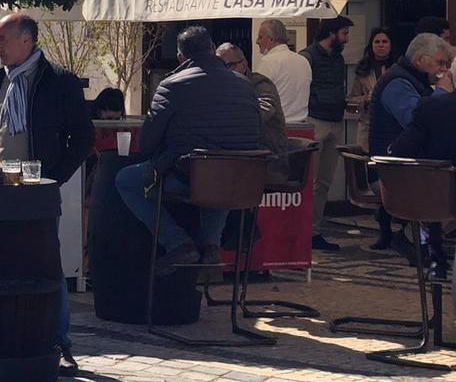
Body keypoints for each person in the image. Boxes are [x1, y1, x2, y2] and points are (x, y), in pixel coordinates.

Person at [0, 12, 93, 373]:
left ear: (27, 40)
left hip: (36, 188)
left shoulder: (58, 82)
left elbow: (82, 137)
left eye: (3, 38)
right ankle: (1, 336)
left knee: (46, 265)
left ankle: (58, 340)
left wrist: (53, 178)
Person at [116, 27, 260, 277]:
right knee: (218, 172)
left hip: (188, 178)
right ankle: (211, 246)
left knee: (126, 180)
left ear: (181, 57)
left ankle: (178, 243)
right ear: (213, 50)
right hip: (240, 181)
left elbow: (147, 143)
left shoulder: (172, 85)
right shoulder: (246, 85)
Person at [390, 49, 456, 278]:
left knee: (431, 190)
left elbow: (402, 149)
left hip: (440, 196)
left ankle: (437, 260)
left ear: (452, 76)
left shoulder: (430, 107)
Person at [368, 33, 454, 253]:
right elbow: (417, 120)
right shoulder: (398, 83)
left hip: (407, 168)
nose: (443, 69)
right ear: (420, 60)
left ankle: (423, 241)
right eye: (440, 63)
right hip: (393, 173)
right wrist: (443, 92)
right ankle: (411, 239)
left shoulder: (414, 80)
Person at [301, 15, 353, 251]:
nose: (347, 38)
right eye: (344, 33)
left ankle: (314, 230)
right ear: (331, 33)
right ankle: (304, 230)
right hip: (316, 119)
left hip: (335, 120)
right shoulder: (308, 57)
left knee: (324, 181)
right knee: (310, 180)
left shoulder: (338, 58)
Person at [217, 43, 288, 182]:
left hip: (268, 160)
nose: (224, 71)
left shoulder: (260, 84)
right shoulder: (222, 87)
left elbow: (264, 110)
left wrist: (231, 121)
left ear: (244, 65)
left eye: (230, 66)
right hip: (241, 158)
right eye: (220, 67)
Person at [254, 19, 311, 124]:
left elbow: (259, 97)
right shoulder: (303, 61)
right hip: (302, 126)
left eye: (260, 37)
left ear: (271, 39)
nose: (257, 41)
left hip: (276, 128)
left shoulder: (268, 62)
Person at [348, 27, 394, 154]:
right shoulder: (363, 69)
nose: (381, 45)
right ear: (371, 45)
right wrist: (366, 98)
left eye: (384, 42)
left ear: (390, 45)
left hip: (390, 123)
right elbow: (351, 100)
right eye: (377, 42)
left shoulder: (396, 67)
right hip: (367, 124)